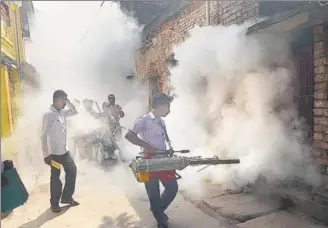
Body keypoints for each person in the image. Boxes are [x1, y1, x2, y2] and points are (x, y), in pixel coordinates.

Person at [125, 93, 177, 228]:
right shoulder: (144, 120)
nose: (169, 110)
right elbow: (129, 135)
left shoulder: (161, 121)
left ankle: (156, 210)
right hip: (149, 162)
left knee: (172, 188)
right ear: (161, 106)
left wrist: (168, 150)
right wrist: (147, 147)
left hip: (163, 161)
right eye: (168, 106)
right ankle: (161, 221)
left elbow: (161, 141)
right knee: (153, 193)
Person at [40, 90, 79, 213]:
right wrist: (46, 155)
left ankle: (67, 197)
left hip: (64, 151)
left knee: (72, 170)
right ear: (56, 100)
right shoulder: (49, 115)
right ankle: (54, 204)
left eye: (65, 100)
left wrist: (69, 102)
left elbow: (75, 112)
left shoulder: (62, 112)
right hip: (54, 154)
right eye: (63, 100)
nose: (65, 103)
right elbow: (43, 135)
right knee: (56, 178)